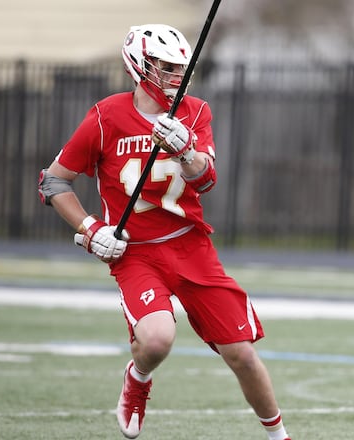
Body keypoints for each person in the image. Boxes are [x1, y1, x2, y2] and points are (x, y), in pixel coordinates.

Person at [37, 24, 291, 440]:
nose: (177, 75)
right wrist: (90, 228)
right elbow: (53, 181)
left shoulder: (196, 111)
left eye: (180, 67)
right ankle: (138, 378)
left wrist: (186, 151)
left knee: (242, 354)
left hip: (190, 245)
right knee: (156, 340)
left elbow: (206, 181)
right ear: (140, 65)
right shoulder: (106, 116)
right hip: (135, 252)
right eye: (167, 66)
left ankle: (280, 436)